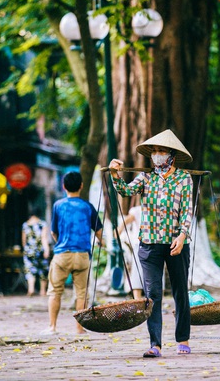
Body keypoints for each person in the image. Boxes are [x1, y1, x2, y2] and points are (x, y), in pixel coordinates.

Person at [108, 129, 193, 358]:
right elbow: (125, 192)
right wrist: (115, 174)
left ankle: (182, 338)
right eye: (154, 151)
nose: (156, 155)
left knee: (180, 291)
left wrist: (182, 235)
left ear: (171, 155)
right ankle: (155, 343)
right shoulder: (146, 178)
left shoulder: (184, 178)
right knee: (152, 294)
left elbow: (187, 212)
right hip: (149, 243)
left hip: (176, 243)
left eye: (161, 151)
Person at [47, 171, 103, 334]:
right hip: (82, 256)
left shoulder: (58, 205)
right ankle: (79, 328)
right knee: (81, 294)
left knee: (55, 291)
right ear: (81, 186)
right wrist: (101, 241)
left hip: (62, 254)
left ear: (63, 187)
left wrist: (60, 242)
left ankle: (52, 327)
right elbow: (99, 231)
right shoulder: (87, 207)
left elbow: (53, 232)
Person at [21, 208, 51, 296]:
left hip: (29, 250)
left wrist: (25, 249)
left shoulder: (25, 224)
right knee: (43, 269)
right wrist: (47, 250)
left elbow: (23, 240)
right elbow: (44, 238)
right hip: (40, 250)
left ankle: (31, 289)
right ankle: (42, 290)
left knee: (30, 270)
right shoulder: (42, 224)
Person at [121, 206, 144, 300]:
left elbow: (126, 220)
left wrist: (118, 230)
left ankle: (138, 299)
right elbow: (127, 220)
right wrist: (119, 229)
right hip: (140, 244)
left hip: (142, 245)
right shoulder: (137, 210)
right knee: (137, 273)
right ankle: (137, 300)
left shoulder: (137, 210)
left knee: (138, 273)